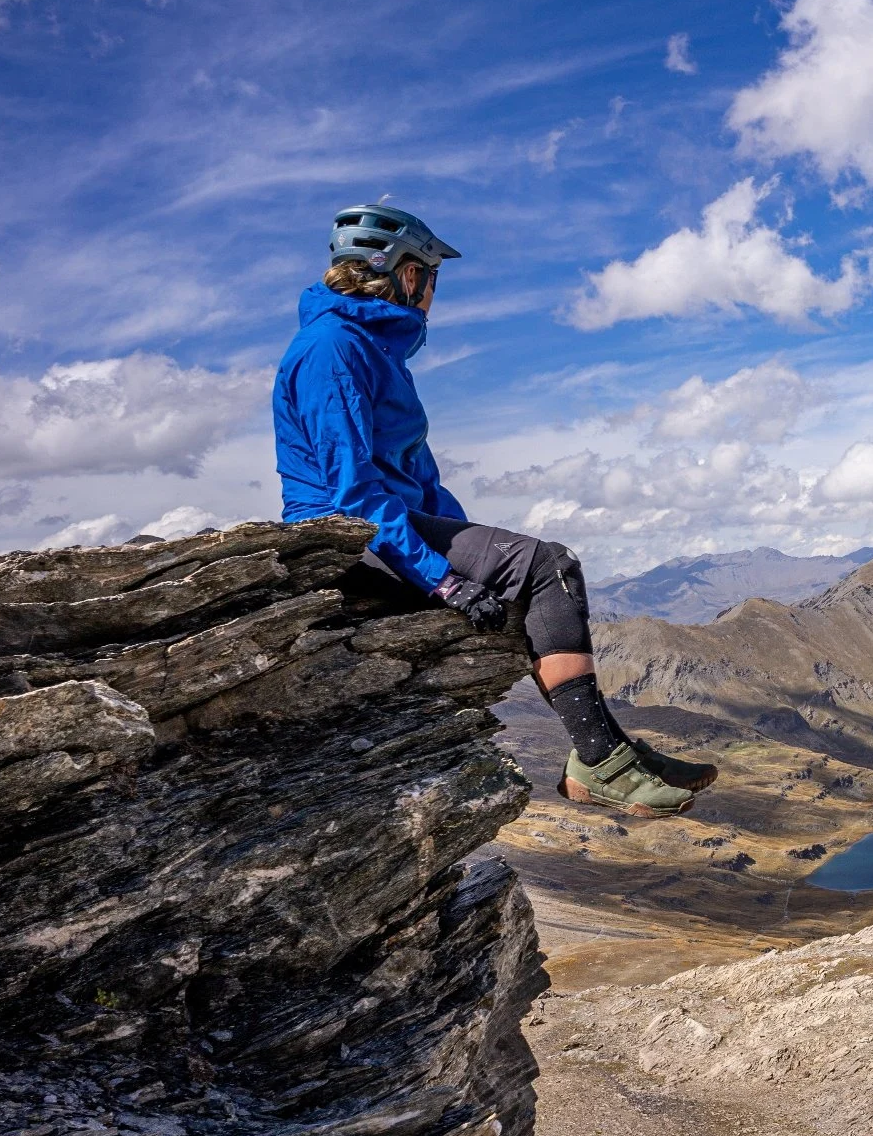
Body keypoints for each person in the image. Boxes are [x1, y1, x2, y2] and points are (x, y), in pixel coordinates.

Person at [272, 202, 714, 816]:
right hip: (345, 541)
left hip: (384, 524)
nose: (433, 291)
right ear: (401, 272)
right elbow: (352, 494)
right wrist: (445, 580)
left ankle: (609, 750)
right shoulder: (332, 349)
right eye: (429, 275)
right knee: (548, 568)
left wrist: (477, 550)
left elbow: (421, 485)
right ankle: (601, 760)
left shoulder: (374, 351)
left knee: (536, 570)